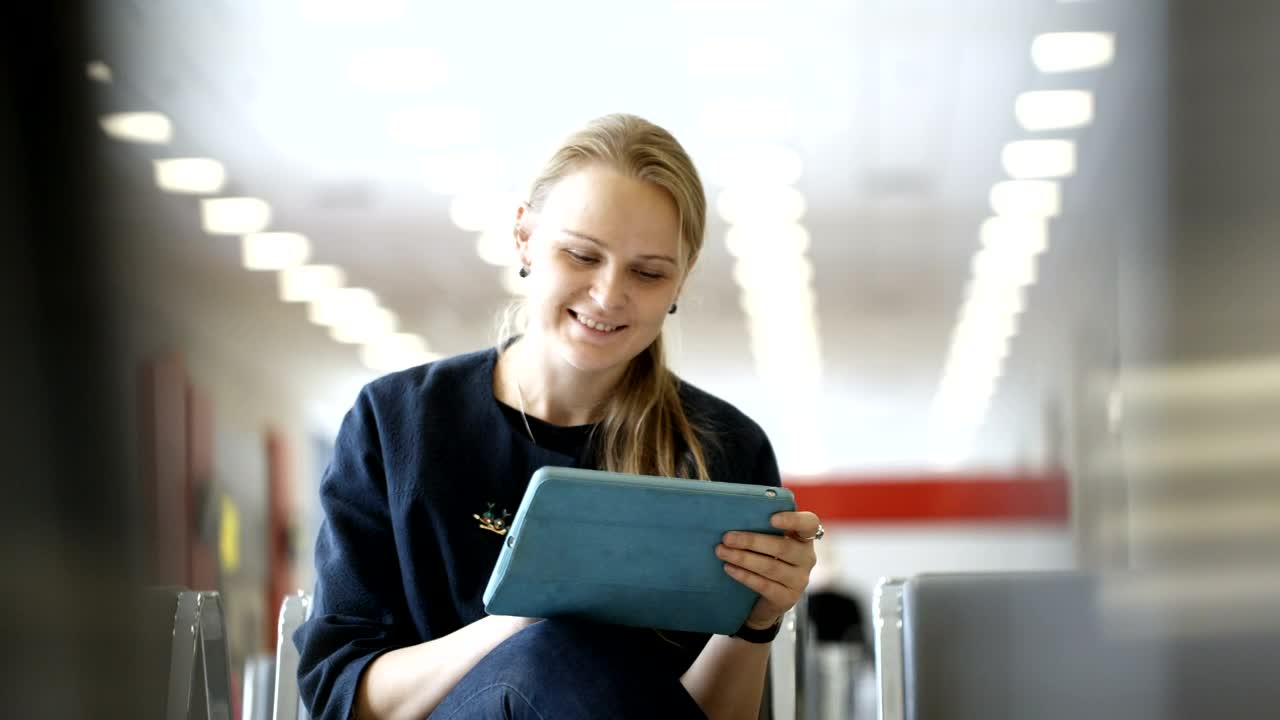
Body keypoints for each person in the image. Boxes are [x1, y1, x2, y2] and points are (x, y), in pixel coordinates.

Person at [295, 113, 823, 720]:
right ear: (524, 238)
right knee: (555, 652)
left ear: (682, 278)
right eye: (581, 255)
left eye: (648, 272)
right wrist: (523, 619)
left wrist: (756, 623)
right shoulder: (398, 425)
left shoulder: (723, 451)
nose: (608, 294)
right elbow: (344, 696)